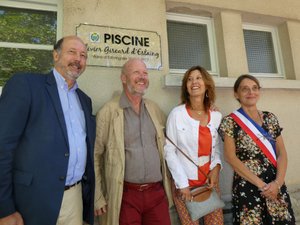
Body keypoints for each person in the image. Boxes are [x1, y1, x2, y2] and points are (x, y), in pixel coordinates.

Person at [0, 35, 96, 225]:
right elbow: (2, 146)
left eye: (83, 55)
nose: (78, 59)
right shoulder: (26, 85)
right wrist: (4, 208)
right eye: (72, 52)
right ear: (55, 55)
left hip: (73, 199)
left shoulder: (85, 100)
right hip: (32, 200)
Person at [94, 58, 173, 225]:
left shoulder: (153, 109)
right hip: (125, 195)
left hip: (156, 194)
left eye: (145, 73)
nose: (142, 77)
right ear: (124, 78)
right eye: (136, 72)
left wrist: (203, 108)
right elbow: (95, 156)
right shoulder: (108, 112)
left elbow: (176, 132)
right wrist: (98, 196)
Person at [218, 74, 295, 224]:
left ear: (259, 91)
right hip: (248, 186)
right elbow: (230, 158)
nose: (250, 92)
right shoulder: (230, 122)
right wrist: (263, 186)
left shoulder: (270, 118)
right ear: (236, 94)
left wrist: (277, 184)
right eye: (245, 89)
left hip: (275, 184)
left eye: (254, 88)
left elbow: (282, 154)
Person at [164, 66, 224, 225]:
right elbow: (169, 151)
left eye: (198, 78)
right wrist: (182, 185)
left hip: (209, 182)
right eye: (189, 79)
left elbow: (216, 147)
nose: (194, 82)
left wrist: (216, 167)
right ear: (186, 87)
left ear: (206, 84)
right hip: (185, 184)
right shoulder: (176, 114)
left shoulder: (216, 116)